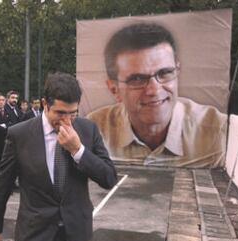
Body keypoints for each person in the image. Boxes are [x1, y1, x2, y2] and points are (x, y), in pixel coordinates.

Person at [0, 72, 118, 241]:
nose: (66, 120)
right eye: (60, 113)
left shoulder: (87, 130)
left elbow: (109, 178)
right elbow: (1, 185)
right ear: (44, 104)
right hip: (37, 237)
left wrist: (78, 150)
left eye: (72, 113)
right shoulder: (19, 134)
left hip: (74, 234)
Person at [87, 23, 227, 168]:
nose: (154, 90)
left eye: (164, 73)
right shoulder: (94, 132)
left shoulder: (221, 134)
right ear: (114, 89)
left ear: (177, 71)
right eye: (137, 79)